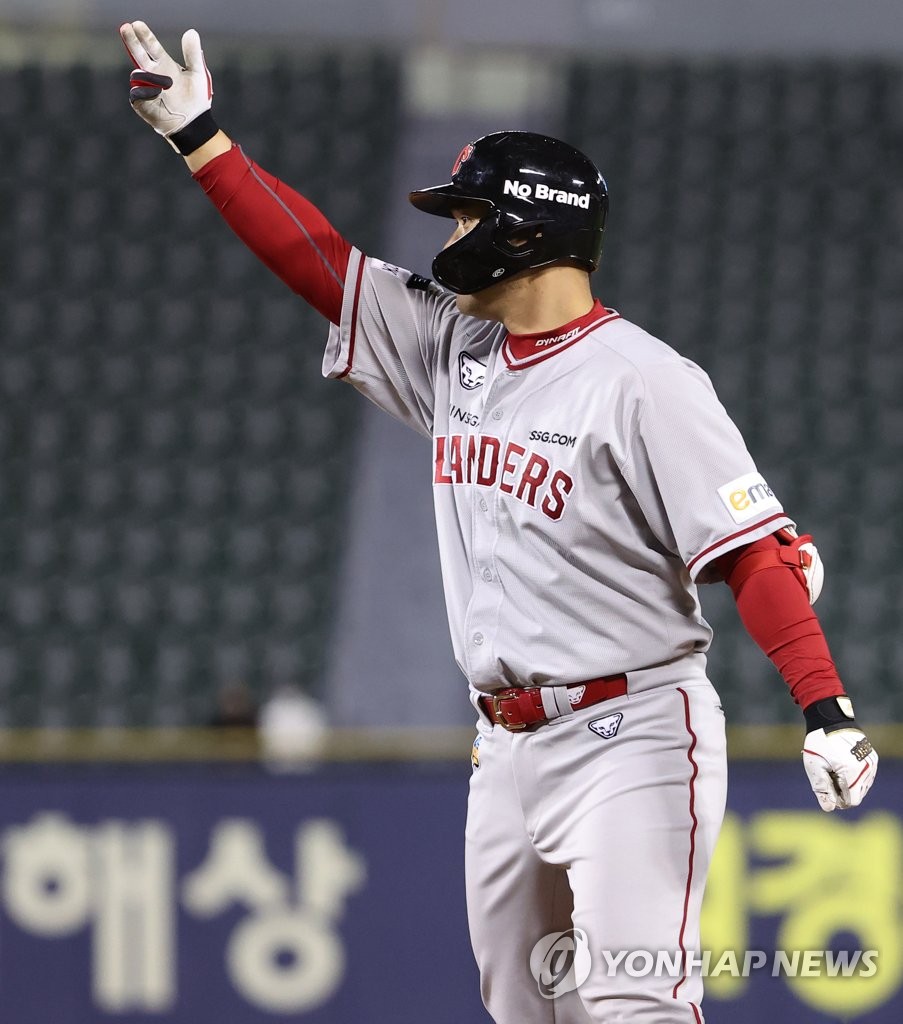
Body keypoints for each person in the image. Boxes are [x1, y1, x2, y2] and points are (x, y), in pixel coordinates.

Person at [119, 22, 878, 1023]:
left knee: (635, 1004)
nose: (444, 237)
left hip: (634, 733)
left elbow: (752, 556)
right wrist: (204, 140)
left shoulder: (646, 381)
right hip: (506, 744)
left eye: (462, 213)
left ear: (524, 229)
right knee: (526, 1011)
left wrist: (824, 708)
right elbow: (322, 266)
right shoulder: (454, 348)